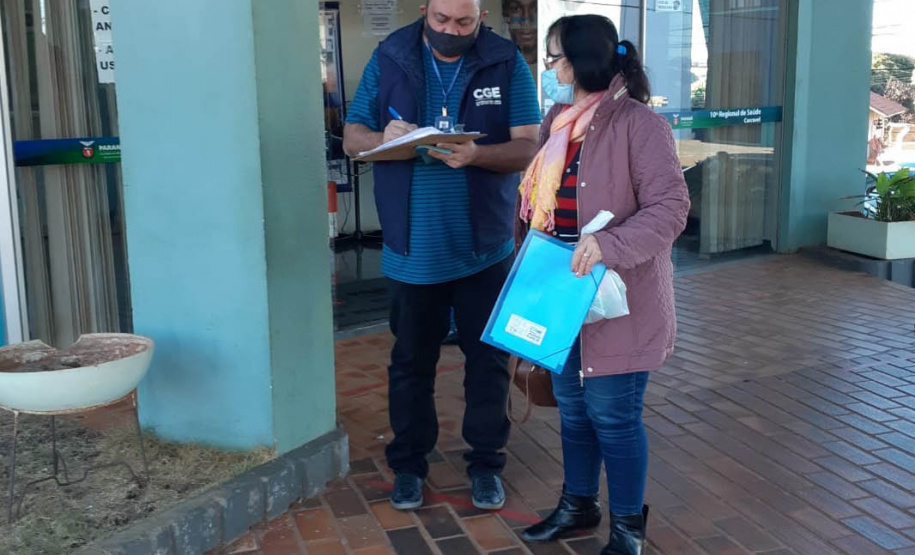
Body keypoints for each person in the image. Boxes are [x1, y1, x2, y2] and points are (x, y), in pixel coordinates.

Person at [343, 0, 541, 511]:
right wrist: (382, 138)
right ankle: (408, 466)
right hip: (412, 248)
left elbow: (528, 147)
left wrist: (478, 155)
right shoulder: (390, 56)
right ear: (424, 10)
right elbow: (352, 138)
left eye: (464, 22)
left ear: (481, 17)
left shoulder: (504, 61)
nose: (451, 30)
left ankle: (486, 465)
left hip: (484, 246)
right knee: (411, 363)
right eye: (441, 20)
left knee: (488, 362)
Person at [515, 15, 689, 555]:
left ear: (582, 60)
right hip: (562, 289)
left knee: (613, 416)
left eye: (555, 57)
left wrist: (608, 244)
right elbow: (541, 202)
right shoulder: (557, 120)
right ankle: (578, 505)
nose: (550, 68)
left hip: (618, 296)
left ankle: (628, 528)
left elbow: (671, 207)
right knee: (571, 407)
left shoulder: (639, 124)